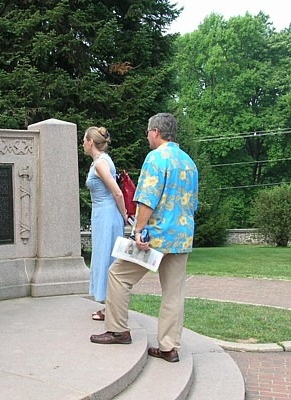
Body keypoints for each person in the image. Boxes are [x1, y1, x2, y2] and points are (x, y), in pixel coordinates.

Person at [90, 113, 198, 364]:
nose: (147, 136)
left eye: (148, 131)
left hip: (154, 239)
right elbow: (192, 202)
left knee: (117, 274)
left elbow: (147, 198)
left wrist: (138, 230)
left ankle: (118, 330)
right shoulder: (189, 162)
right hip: (181, 238)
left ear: (156, 132)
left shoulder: (156, 158)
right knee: (174, 293)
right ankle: (169, 348)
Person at [83, 126, 129, 321]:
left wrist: (124, 214)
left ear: (91, 142)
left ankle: (109, 306)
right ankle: (108, 305)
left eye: (84, 140)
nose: (82, 144)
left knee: (106, 258)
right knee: (105, 256)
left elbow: (117, 192)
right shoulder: (101, 161)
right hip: (102, 214)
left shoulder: (101, 163)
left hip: (108, 214)